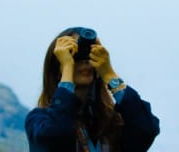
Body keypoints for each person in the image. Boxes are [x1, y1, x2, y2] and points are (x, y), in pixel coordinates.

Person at [25, 27, 160, 152]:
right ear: (57, 66)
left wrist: (109, 74)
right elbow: (56, 134)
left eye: (88, 54)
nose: (84, 61)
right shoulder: (39, 121)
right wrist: (67, 69)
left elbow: (146, 129)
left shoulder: (112, 123)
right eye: (74, 54)